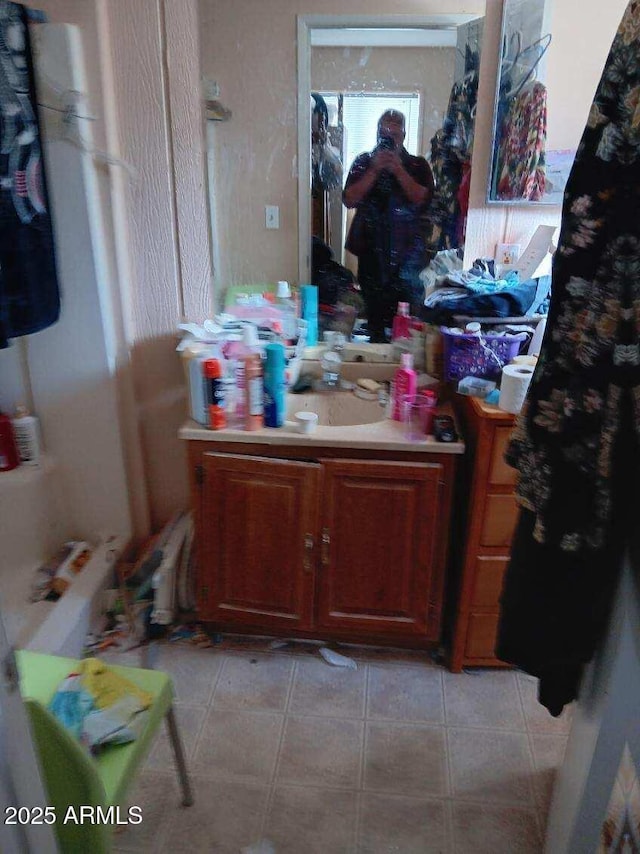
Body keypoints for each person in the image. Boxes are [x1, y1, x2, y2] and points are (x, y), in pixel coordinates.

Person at [343, 109, 434, 342]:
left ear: (403, 136)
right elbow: (349, 198)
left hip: (408, 260)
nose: (389, 137)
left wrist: (397, 169)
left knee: (408, 328)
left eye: (394, 133)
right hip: (371, 258)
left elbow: (423, 199)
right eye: (384, 132)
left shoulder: (417, 165)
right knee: (375, 323)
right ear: (376, 133)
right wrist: (374, 169)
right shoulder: (364, 162)